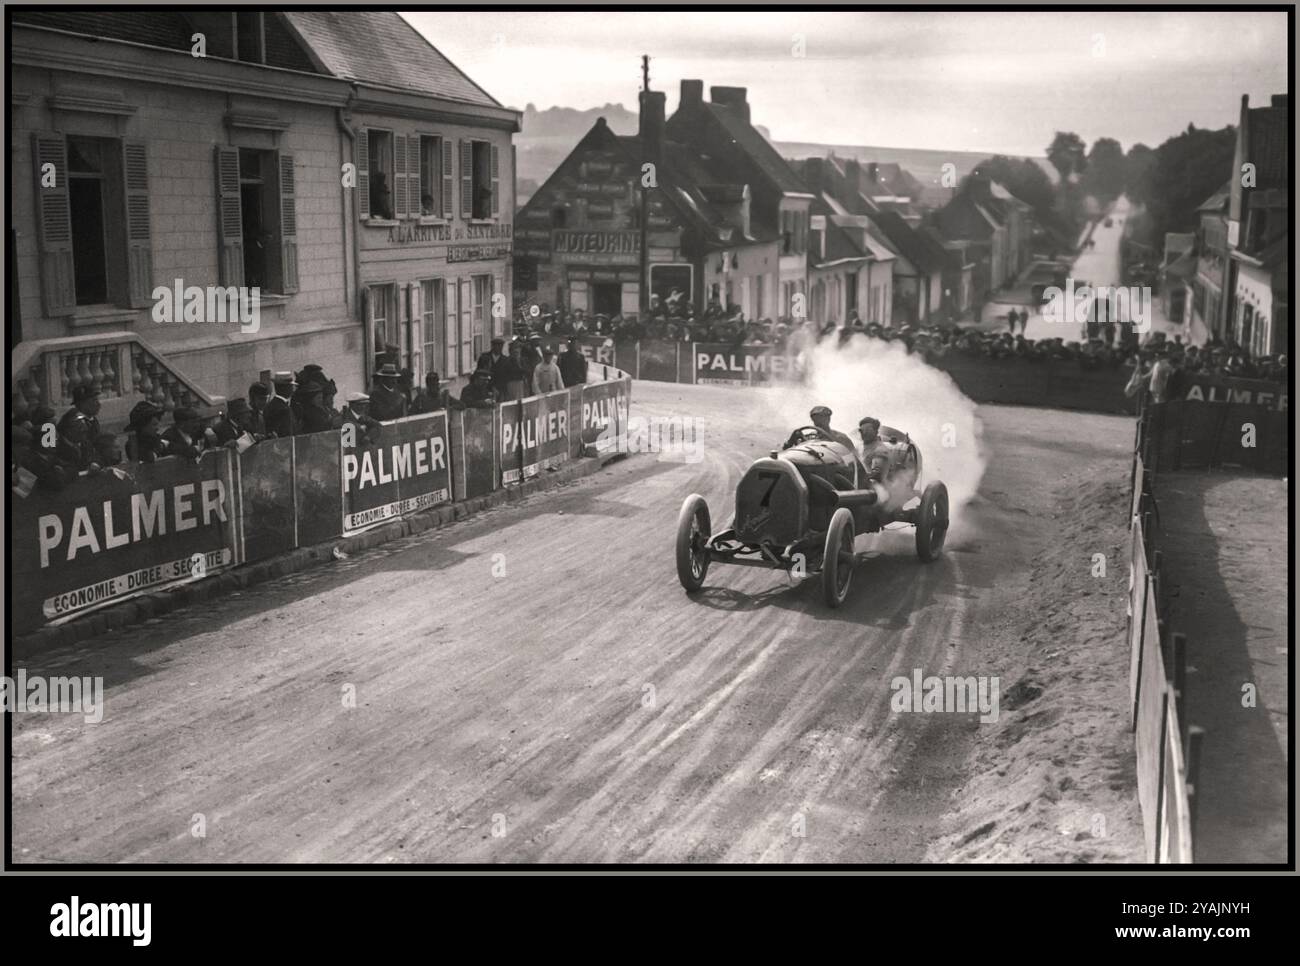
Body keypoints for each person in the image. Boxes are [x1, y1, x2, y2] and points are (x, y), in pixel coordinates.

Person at [56, 385, 102, 471]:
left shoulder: (91, 419)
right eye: (93, 400)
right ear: (82, 403)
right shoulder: (73, 419)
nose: (98, 404)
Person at [264, 372, 297, 438]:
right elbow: (287, 433)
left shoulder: (269, 406)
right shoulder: (284, 409)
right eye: (290, 386)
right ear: (284, 388)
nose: (292, 389)